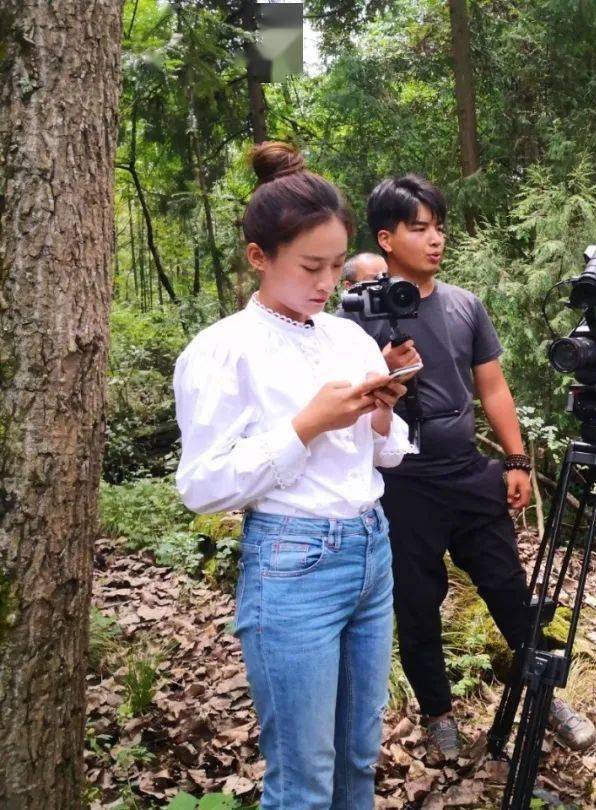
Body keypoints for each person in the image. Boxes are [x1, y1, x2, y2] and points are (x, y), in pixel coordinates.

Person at [173, 142, 415, 810]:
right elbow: (201, 486)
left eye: (337, 265)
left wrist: (380, 414)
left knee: (359, 762)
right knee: (303, 779)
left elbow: (387, 456)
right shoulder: (224, 350)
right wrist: (305, 425)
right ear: (259, 257)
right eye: (311, 266)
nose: (327, 283)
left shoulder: (348, 339)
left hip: (372, 550)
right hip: (292, 562)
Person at [338, 174, 596, 759]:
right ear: (386, 238)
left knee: (509, 587)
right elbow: (347, 404)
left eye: (439, 227)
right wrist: (383, 367)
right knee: (417, 601)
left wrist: (516, 459)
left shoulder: (463, 305)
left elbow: (494, 388)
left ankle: (547, 696)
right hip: (402, 480)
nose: (435, 239)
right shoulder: (358, 316)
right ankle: (438, 713)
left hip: (466, 467)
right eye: (419, 228)